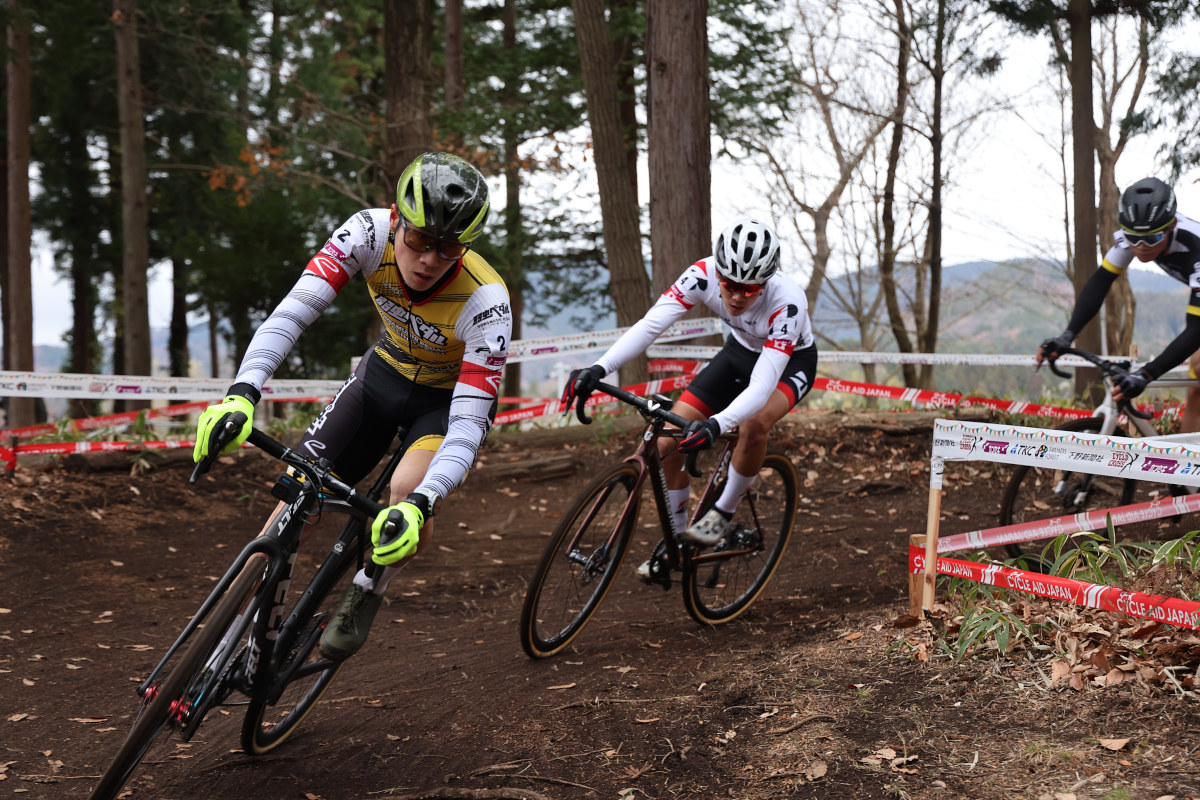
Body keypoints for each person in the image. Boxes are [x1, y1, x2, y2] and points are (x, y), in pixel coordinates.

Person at [192, 152, 511, 659]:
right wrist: (243, 391)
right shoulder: (365, 233)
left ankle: (370, 585)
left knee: (406, 492)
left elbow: (471, 422)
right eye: (419, 240)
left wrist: (421, 504)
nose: (429, 259)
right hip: (381, 375)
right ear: (394, 218)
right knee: (298, 490)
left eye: (448, 248)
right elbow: (293, 313)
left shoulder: (486, 301)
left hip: (443, 405)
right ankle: (244, 628)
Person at [562, 217, 817, 583]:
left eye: (751, 289)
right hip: (738, 353)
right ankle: (680, 540)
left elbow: (762, 387)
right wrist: (600, 369)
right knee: (667, 440)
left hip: (791, 363)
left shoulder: (788, 302)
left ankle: (723, 513)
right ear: (719, 274)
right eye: (730, 285)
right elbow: (651, 325)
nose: (737, 297)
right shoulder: (701, 274)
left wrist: (716, 425)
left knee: (754, 422)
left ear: (766, 282)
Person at [1038, 177, 1200, 429]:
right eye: (1133, 238)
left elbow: (1196, 329)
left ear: (1172, 226)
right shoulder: (1136, 235)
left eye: (1153, 238)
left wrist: (1147, 374)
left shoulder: (1195, 246)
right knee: (1196, 396)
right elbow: (1100, 282)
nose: (1142, 247)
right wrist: (1067, 336)